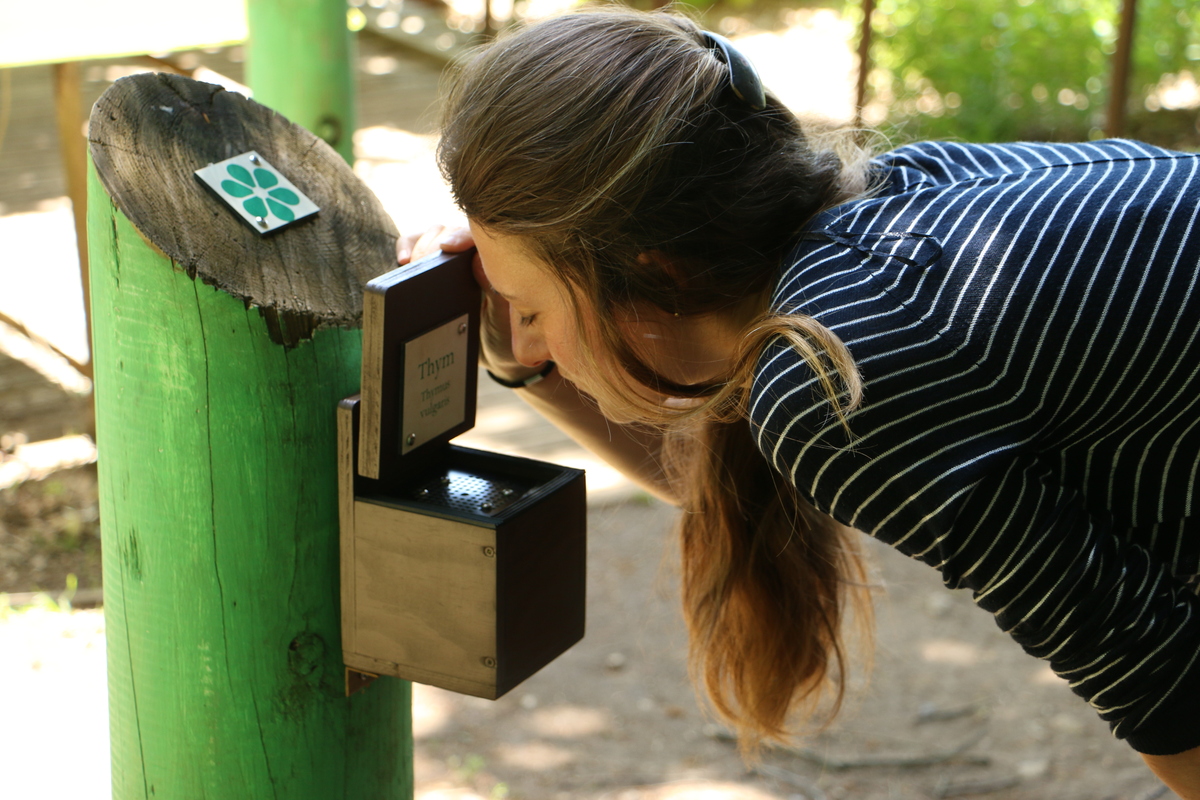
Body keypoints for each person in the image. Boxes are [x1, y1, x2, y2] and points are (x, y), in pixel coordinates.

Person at [396, 8, 1200, 796]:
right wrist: (516, 360)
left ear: (657, 278)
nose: (532, 345)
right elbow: (715, 475)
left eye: (530, 313)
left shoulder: (845, 368)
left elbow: (1160, 679)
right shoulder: (891, 206)